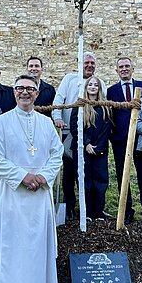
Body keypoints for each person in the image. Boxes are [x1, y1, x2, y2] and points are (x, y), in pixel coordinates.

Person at [0, 75, 63, 283]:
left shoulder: (46, 123)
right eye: (20, 89)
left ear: (37, 94)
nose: (25, 93)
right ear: (14, 92)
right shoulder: (1, 122)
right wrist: (22, 176)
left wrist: (43, 176)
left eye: (30, 89)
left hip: (39, 198)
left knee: (35, 251)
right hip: (11, 197)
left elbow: (56, 153)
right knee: (10, 251)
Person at [51, 52, 105, 220]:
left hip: (92, 135)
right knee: (70, 170)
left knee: (91, 171)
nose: (89, 65)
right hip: (70, 131)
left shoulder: (99, 83)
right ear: (80, 63)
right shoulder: (69, 79)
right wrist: (58, 117)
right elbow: (59, 99)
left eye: (92, 63)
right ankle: (69, 205)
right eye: (86, 62)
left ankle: (93, 208)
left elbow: (104, 110)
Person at [106, 57, 142, 227]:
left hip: (140, 140)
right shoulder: (112, 91)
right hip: (120, 139)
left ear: (133, 68)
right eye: (121, 67)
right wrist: (113, 135)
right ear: (117, 70)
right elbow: (109, 114)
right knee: (122, 176)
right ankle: (127, 211)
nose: (124, 69)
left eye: (127, 66)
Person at [70, 76, 112, 220]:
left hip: (100, 150)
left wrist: (98, 147)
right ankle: (86, 211)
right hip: (82, 149)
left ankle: (98, 211)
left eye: (96, 85)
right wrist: (86, 143)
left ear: (99, 88)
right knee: (85, 179)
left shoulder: (105, 106)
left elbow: (107, 128)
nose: (93, 87)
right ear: (86, 87)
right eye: (90, 85)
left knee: (100, 181)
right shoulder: (80, 105)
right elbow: (75, 127)